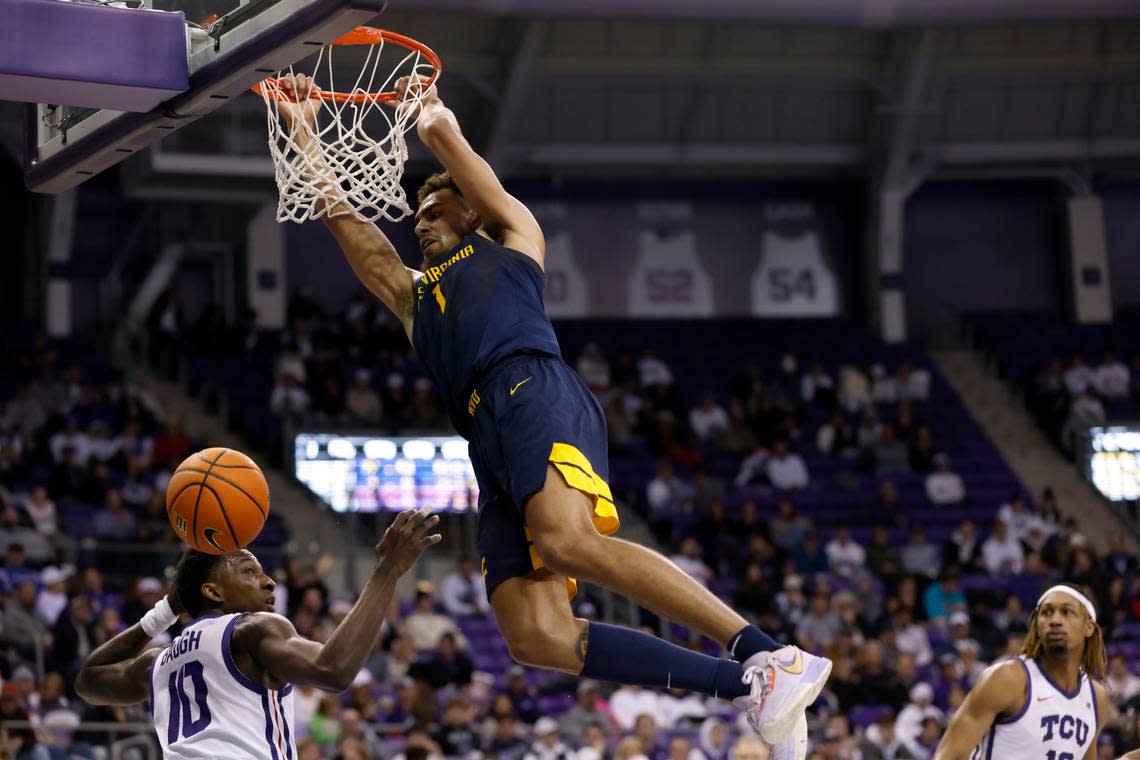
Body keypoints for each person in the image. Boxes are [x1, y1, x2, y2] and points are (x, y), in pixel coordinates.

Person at [274, 72, 827, 757]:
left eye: (435, 209)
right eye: (416, 215)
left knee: (566, 543)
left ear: (470, 212)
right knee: (535, 637)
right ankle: (746, 684)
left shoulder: (509, 237)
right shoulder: (417, 301)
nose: (420, 221)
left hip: (532, 388)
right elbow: (353, 231)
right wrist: (301, 128)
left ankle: (763, 649)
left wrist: (431, 116)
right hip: (487, 435)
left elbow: (457, 151)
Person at [73, 507, 440, 758]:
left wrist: (164, 612)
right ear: (213, 591)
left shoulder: (160, 662)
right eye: (249, 571)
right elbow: (334, 670)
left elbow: (88, 680)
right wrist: (387, 571)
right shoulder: (252, 629)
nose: (268, 583)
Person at [931, 586, 1110, 760]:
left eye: (1066, 612)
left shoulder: (1096, 698)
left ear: (1089, 627)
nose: (1054, 620)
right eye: (1046, 612)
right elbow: (949, 755)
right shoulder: (1009, 678)